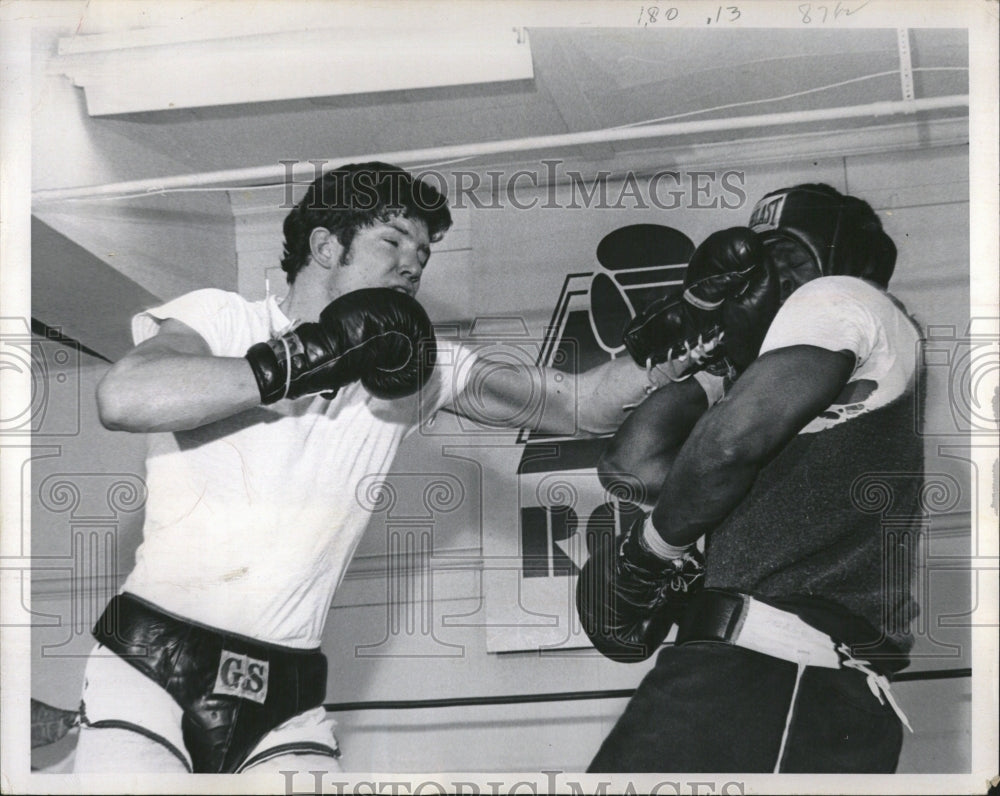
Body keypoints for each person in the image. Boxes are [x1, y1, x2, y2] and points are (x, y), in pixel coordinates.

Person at [75, 162, 665, 774]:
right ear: (326, 245)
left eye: (424, 254)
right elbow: (125, 397)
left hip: (286, 693)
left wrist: (684, 338)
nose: (413, 263)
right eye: (393, 241)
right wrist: (306, 360)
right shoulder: (226, 319)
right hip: (153, 665)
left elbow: (580, 404)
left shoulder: (416, 372)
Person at [577, 183, 924, 772]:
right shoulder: (779, 382)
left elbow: (726, 448)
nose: (771, 280)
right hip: (761, 673)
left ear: (845, 259)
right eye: (759, 265)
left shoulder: (839, 295)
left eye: (788, 257)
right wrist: (718, 353)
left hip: (778, 671)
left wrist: (650, 554)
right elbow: (630, 467)